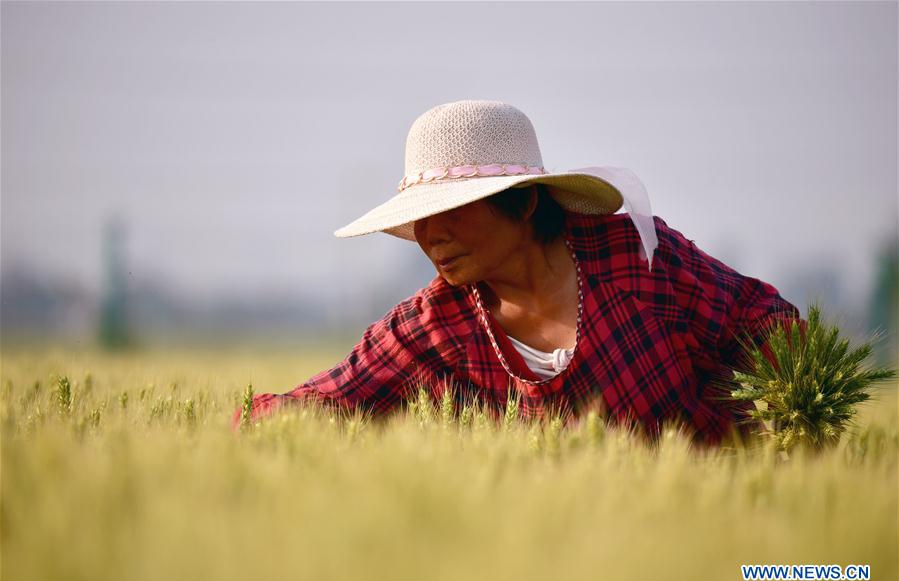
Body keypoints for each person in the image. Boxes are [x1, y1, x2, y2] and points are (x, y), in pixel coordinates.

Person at [231, 99, 803, 446]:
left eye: (451, 212)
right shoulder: (432, 328)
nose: (430, 237)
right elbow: (322, 405)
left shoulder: (635, 259)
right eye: (420, 220)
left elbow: (768, 324)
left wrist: (783, 440)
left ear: (525, 204)